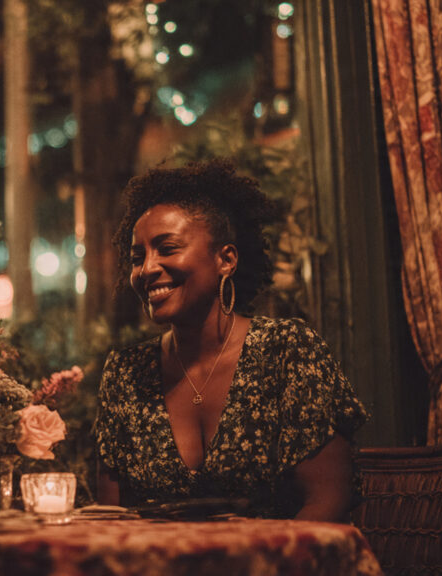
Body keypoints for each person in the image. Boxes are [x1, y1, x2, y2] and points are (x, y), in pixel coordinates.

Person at [95, 158, 369, 522]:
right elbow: (112, 519)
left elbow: (326, 501)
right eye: (137, 257)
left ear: (225, 259)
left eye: (167, 248)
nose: (146, 268)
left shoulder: (287, 351)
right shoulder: (126, 374)